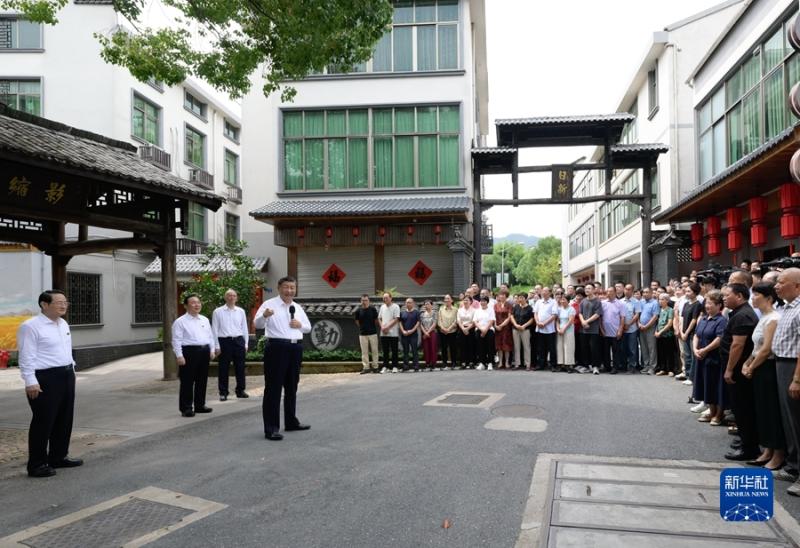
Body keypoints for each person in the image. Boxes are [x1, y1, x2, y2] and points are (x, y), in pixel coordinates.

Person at [17, 290, 83, 478]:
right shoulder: (30, 326)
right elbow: (26, 356)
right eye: (58, 302)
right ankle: (37, 464)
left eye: (65, 302)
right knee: (43, 420)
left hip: (66, 374)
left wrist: (72, 368)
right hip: (45, 378)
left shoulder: (62, 323)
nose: (63, 305)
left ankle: (58, 456)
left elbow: (65, 350)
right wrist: (30, 381)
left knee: (64, 418)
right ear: (44, 305)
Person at [253, 276, 312, 441]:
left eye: (292, 288)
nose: (289, 291)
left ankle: (291, 421)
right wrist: (264, 316)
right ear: (279, 288)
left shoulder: (297, 307)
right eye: (286, 287)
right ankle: (271, 428)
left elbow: (308, 327)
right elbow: (257, 324)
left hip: (295, 348)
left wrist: (299, 325)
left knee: (292, 386)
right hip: (277, 348)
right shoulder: (269, 305)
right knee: (273, 388)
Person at [742, 283, 785, 470]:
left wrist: (752, 366)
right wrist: (747, 362)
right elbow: (756, 347)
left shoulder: (774, 318)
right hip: (759, 366)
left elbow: (767, 349)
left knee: (771, 411)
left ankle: (778, 454)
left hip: (767, 367)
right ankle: (767, 450)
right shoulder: (764, 317)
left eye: (756, 294)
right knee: (762, 410)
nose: (753, 298)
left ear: (769, 297)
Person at [721, 283, 760, 461]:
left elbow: (738, 345)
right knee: (740, 408)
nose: (724, 298)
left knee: (743, 408)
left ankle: (749, 448)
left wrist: (729, 369)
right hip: (738, 368)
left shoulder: (743, 315)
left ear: (739, 296)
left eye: (727, 295)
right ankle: (746, 441)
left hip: (739, 370)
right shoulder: (738, 313)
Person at [772, 268, 800, 496]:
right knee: (788, 419)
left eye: (781, 282)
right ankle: (793, 466)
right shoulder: (785, 308)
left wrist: (797, 379)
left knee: (797, 420)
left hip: (793, 367)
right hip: (781, 364)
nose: (776, 286)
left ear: (797, 286)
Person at [172, 294, 216, 418]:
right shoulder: (180, 322)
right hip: (189, 352)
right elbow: (176, 340)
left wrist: (211, 350)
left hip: (204, 352)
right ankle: (186, 408)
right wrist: (179, 355)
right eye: (193, 303)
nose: (197, 305)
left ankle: (200, 405)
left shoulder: (204, 319)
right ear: (186, 306)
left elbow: (210, 336)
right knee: (187, 381)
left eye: (198, 302)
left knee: (202, 380)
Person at [692, 290, 727, 425]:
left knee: (715, 386)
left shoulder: (721, 320)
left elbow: (720, 338)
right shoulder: (704, 318)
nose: (707, 306)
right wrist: (696, 349)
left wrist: (705, 350)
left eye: (711, 303)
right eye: (706, 303)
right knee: (706, 385)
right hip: (702, 357)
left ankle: (719, 414)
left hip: (714, 358)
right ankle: (711, 411)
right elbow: (697, 335)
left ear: (719, 306)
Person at [212, 289, 250, 401]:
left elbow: (244, 328)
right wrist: (216, 346)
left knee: (240, 367)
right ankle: (223, 392)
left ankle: (240, 390)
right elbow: (214, 329)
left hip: (238, 341)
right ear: (225, 297)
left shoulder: (241, 311)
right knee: (223, 368)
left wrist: (246, 343)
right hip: (224, 342)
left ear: (236, 298)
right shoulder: (217, 312)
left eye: (234, 295)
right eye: (229, 295)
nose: (231, 297)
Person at [678, 283, 703, 386]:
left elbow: (694, 320)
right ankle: (687, 375)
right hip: (684, 332)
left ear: (695, 293)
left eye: (689, 291)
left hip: (692, 333)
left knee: (692, 356)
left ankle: (692, 377)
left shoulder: (698, 304)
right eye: (686, 291)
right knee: (686, 354)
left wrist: (687, 332)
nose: (686, 293)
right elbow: (682, 318)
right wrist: (681, 331)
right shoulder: (686, 304)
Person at [579, 284, 603, 375]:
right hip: (583, 329)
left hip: (593, 329)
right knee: (584, 348)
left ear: (593, 290)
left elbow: (597, 314)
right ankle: (586, 366)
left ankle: (595, 366)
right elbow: (580, 313)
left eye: (589, 288)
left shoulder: (597, 301)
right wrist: (583, 322)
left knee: (594, 348)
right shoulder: (583, 301)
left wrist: (587, 322)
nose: (587, 290)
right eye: (585, 288)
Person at [600, 287, 625, 374]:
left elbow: (622, 318)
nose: (608, 293)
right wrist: (601, 329)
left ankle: (615, 367)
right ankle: (607, 367)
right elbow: (600, 317)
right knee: (605, 351)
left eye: (610, 291)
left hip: (615, 332)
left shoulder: (620, 304)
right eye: (607, 291)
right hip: (605, 332)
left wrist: (620, 330)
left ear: (615, 292)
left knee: (616, 351)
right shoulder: (602, 303)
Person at [354, 294, 380, 374]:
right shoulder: (358, 311)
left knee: (374, 350)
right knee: (364, 352)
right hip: (362, 334)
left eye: (366, 300)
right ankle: (366, 367)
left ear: (369, 301)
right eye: (363, 300)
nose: (364, 302)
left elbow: (376, 320)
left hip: (373, 333)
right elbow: (357, 321)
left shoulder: (373, 309)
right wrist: (363, 327)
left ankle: (375, 367)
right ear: (360, 301)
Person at [534, 287, 558, 371]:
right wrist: (537, 322)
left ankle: (553, 365)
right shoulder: (538, 302)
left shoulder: (553, 302)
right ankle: (541, 364)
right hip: (540, 328)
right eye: (542, 291)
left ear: (550, 293)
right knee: (540, 348)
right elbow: (535, 313)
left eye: (545, 291)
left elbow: (554, 315)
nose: (543, 293)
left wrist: (544, 323)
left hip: (550, 329)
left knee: (552, 348)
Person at [638, 287, 659, 374]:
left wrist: (646, 326)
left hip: (650, 328)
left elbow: (655, 317)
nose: (645, 294)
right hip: (641, 327)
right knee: (644, 348)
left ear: (651, 293)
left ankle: (652, 367)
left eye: (647, 292)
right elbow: (637, 314)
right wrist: (639, 323)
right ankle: (646, 366)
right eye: (644, 292)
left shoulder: (655, 303)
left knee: (652, 348)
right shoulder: (641, 302)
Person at [378, 292, 400, 374]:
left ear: (391, 298)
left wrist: (387, 327)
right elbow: (379, 318)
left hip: (393, 333)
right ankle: (385, 366)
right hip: (383, 333)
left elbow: (396, 319)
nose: (385, 299)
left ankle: (395, 366)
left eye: (386, 297)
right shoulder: (382, 307)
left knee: (394, 351)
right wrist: (382, 327)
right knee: (385, 351)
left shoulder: (396, 306)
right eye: (384, 298)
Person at [654, 294, 677, 376]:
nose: (660, 301)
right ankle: (662, 369)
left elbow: (670, 323)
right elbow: (658, 322)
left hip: (667, 334)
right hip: (659, 335)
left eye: (662, 299)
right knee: (661, 352)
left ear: (667, 300)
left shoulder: (670, 310)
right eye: (659, 299)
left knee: (669, 352)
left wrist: (660, 332)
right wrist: (656, 331)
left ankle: (671, 369)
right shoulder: (659, 310)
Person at [621, 284, 641, 373]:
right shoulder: (620, 301)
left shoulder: (636, 302)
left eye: (629, 289)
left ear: (632, 291)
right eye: (626, 289)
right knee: (623, 348)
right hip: (622, 329)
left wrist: (628, 324)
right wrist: (622, 326)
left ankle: (632, 366)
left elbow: (637, 314)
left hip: (632, 329)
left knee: (632, 349)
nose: (627, 291)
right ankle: (624, 366)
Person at [511, 293, 533, 370]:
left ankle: (527, 364)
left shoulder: (529, 308)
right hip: (515, 329)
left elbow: (531, 319)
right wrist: (515, 324)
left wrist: (524, 326)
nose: (520, 299)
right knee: (516, 347)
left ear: (526, 299)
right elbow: (512, 316)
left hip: (525, 329)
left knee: (526, 346)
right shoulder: (516, 307)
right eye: (519, 298)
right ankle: (517, 364)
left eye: (522, 298)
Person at [473, 296, 496, 370]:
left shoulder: (491, 310)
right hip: (479, 329)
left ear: (487, 302)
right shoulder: (477, 310)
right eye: (481, 301)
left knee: (490, 346)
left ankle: (490, 363)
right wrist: (481, 329)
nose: (482, 302)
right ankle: (482, 363)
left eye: (484, 301)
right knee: (480, 346)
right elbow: (475, 321)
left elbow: (491, 320)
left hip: (489, 329)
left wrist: (485, 330)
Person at [437, 295, 458, 370]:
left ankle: (453, 362)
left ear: (452, 300)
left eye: (448, 298)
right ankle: (444, 363)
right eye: (445, 299)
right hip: (443, 331)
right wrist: (443, 328)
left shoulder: (455, 309)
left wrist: (449, 329)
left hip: (452, 331)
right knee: (444, 348)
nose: (446, 300)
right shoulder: (441, 309)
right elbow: (439, 320)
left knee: (453, 347)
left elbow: (456, 320)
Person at [556, 294, 576, 373]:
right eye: (561, 299)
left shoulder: (571, 309)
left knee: (568, 347)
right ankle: (561, 364)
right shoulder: (559, 309)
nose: (562, 301)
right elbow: (557, 320)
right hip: (560, 330)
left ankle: (569, 365)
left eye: (564, 299)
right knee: (559, 347)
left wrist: (564, 329)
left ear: (568, 301)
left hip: (568, 330)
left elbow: (571, 321)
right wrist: (558, 329)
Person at [399, 298, 421, 372]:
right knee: (405, 351)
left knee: (414, 350)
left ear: (413, 303)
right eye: (407, 302)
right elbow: (400, 323)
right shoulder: (402, 313)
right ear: (405, 304)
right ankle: (406, 366)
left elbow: (418, 323)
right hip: (404, 335)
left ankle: (416, 366)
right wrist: (403, 331)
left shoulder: (416, 312)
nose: (408, 304)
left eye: (410, 302)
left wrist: (412, 330)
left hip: (413, 335)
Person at [494, 292, 513, 369]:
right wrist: (495, 325)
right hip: (497, 327)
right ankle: (500, 362)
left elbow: (509, 317)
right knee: (499, 345)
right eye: (500, 295)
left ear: (506, 296)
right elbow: (493, 316)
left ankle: (507, 362)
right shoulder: (495, 305)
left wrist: (502, 325)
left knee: (506, 344)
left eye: (503, 295)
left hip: (506, 327)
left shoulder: (509, 305)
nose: (501, 296)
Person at [457, 296, 476, 369]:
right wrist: (463, 328)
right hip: (462, 328)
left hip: (470, 328)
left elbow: (474, 321)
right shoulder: (460, 310)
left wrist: (467, 328)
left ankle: (471, 362)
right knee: (462, 346)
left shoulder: (474, 310)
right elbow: (458, 320)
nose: (465, 301)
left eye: (467, 300)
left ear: (471, 302)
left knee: (470, 345)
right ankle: (463, 362)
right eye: (464, 300)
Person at [420, 300, 438, 371]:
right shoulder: (422, 314)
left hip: (432, 332)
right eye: (425, 304)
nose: (426, 305)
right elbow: (420, 324)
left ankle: (433, 363)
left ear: (431, 305)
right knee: (426, 348)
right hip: (424, 333)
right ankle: (427, 363)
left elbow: (434, 323)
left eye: (428, 304)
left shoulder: (434, 313)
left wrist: (428, 331)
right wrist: (425, 332)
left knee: (433, 348)